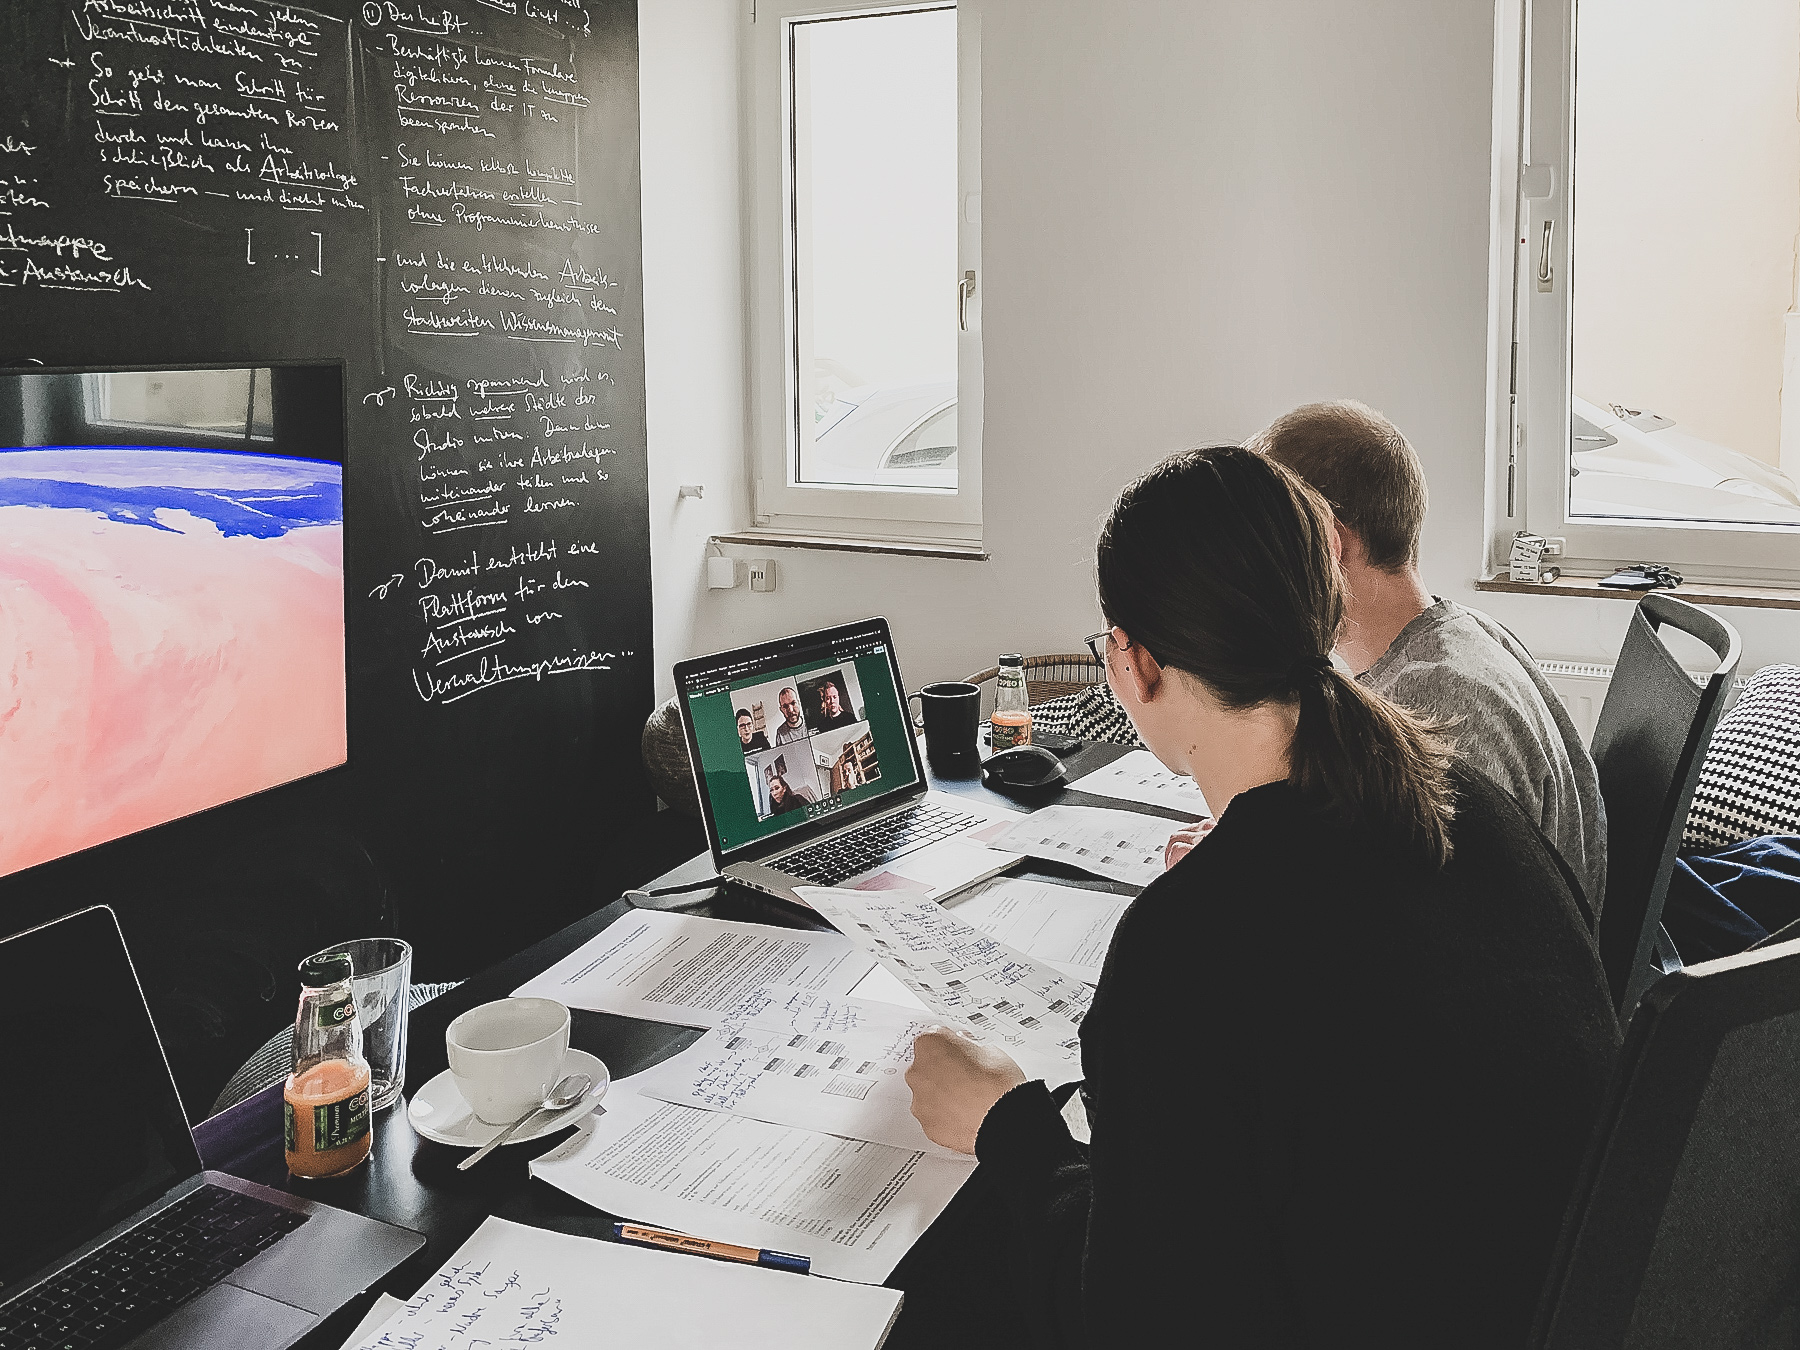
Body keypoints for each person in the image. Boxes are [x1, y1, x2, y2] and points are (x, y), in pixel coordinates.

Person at [901, 447, 1619, 1348]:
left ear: (1130, 663)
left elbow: (1133, 1319)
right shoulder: (1474, 810)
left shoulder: (1187, 943)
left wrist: (1005, 1127)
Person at [1168, 400, 1606, 917]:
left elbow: (1416, 929)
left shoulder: (1436, 701)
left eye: (1265, 543)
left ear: (1328, 544)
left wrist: (1236, 877)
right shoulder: (1451, 633)